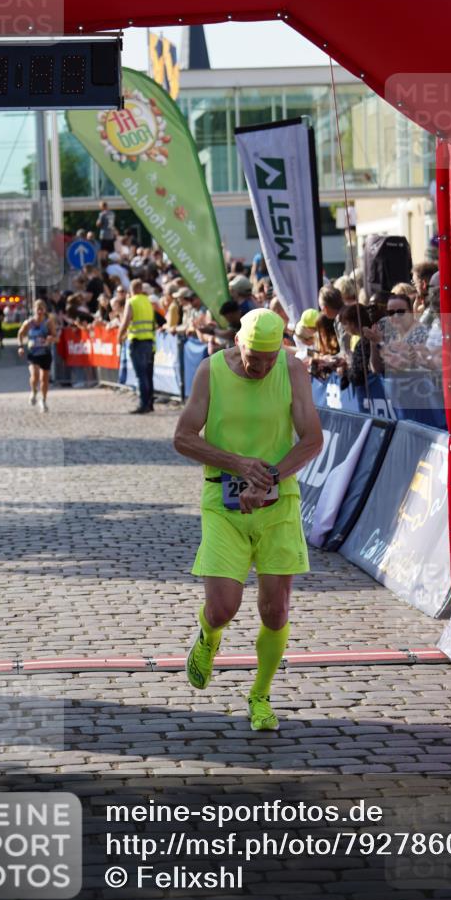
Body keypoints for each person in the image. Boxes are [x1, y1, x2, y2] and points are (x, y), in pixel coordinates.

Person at [173, 308, 323, 732]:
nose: (261, 367)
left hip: (278, 502)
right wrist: (238, 464)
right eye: (254, 359)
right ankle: (209, 636)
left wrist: (269, 475)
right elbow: (182, 437)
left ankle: (260, 695)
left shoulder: (293, 371)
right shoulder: (210, 371)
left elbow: (313, 440)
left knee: (275, 612)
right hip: (223, 501)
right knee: (223, 608)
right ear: (238, 344)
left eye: (270, 359)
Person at [118, 278, 156, 414]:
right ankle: (150, 404)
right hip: (150, 342)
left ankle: (143, 404)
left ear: (132, 290)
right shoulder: (148, 301)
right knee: (148, 374)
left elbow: (126, 320)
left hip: (137, 342)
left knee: (141, 376)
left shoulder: (132, 302)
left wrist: (119, 335)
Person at [17, 299, 57, 412]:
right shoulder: (29, 323)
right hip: (33, 353)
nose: (39, 311)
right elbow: (20, 333)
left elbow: (56, 337)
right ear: (34, 310)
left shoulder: (48, 323)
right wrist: (20, 346)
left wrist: (51, 338)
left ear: (45, 310)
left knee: (44, 379)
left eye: (42, 309)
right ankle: (34, 391)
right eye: (37, 309)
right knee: (34, 376)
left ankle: (43, 400)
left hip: (45, 353)